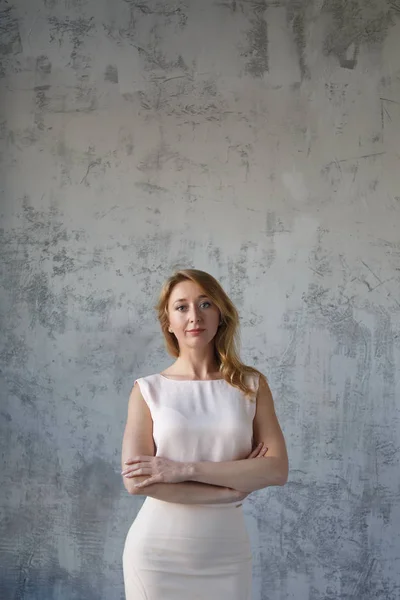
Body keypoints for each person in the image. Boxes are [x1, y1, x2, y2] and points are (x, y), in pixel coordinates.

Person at [121, 268, 288, 599]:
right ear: (167, 322)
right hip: (157, 556)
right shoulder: (147, 390)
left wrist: (184, 470)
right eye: (181, 307)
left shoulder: (251, 385)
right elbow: (136, 481)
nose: (194, 316)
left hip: (227, 554)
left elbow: (277, 469)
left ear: (221, 314)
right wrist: (227, 490)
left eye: (205, 304)